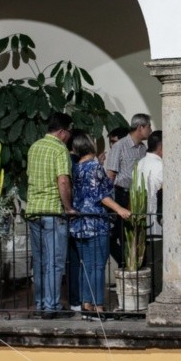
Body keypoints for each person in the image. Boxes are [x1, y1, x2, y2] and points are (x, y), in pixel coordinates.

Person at [70, 132, 130, 321]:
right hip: (95, 222)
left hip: (80, 222)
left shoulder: (77, 167)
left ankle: (86, 304)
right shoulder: (94, 166)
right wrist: (120, 209)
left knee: (87, 266)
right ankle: (98, 306)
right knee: (97, 265)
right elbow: (100, 195)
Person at [26, 112, 76, 319]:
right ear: (63, 131)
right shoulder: (59, 149)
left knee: (39, 261)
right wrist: (68, 207)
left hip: (33, 210)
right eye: (69, 132)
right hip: (53, 211)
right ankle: (51, 306)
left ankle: (40, 303)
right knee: (55, 262)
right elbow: (63, 180)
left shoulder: (34, 146)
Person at [105, 114, 151, 267]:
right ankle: (125, 263)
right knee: (119, 234)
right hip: (122, 194)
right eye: (148, 127)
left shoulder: (143, 148)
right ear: (141, 127)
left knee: (137, 232)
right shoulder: (120, 146)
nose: (150, 130)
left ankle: (135, 265)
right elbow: (111, 174)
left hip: (138, 194)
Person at [135, 130, 163, 299]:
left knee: (147, 261)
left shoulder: (140, 163)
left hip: (142, 218)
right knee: (157, 262)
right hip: (158, 221)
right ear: (162, 147)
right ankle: (158, 296)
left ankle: (147, 297)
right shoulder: (161, 166)